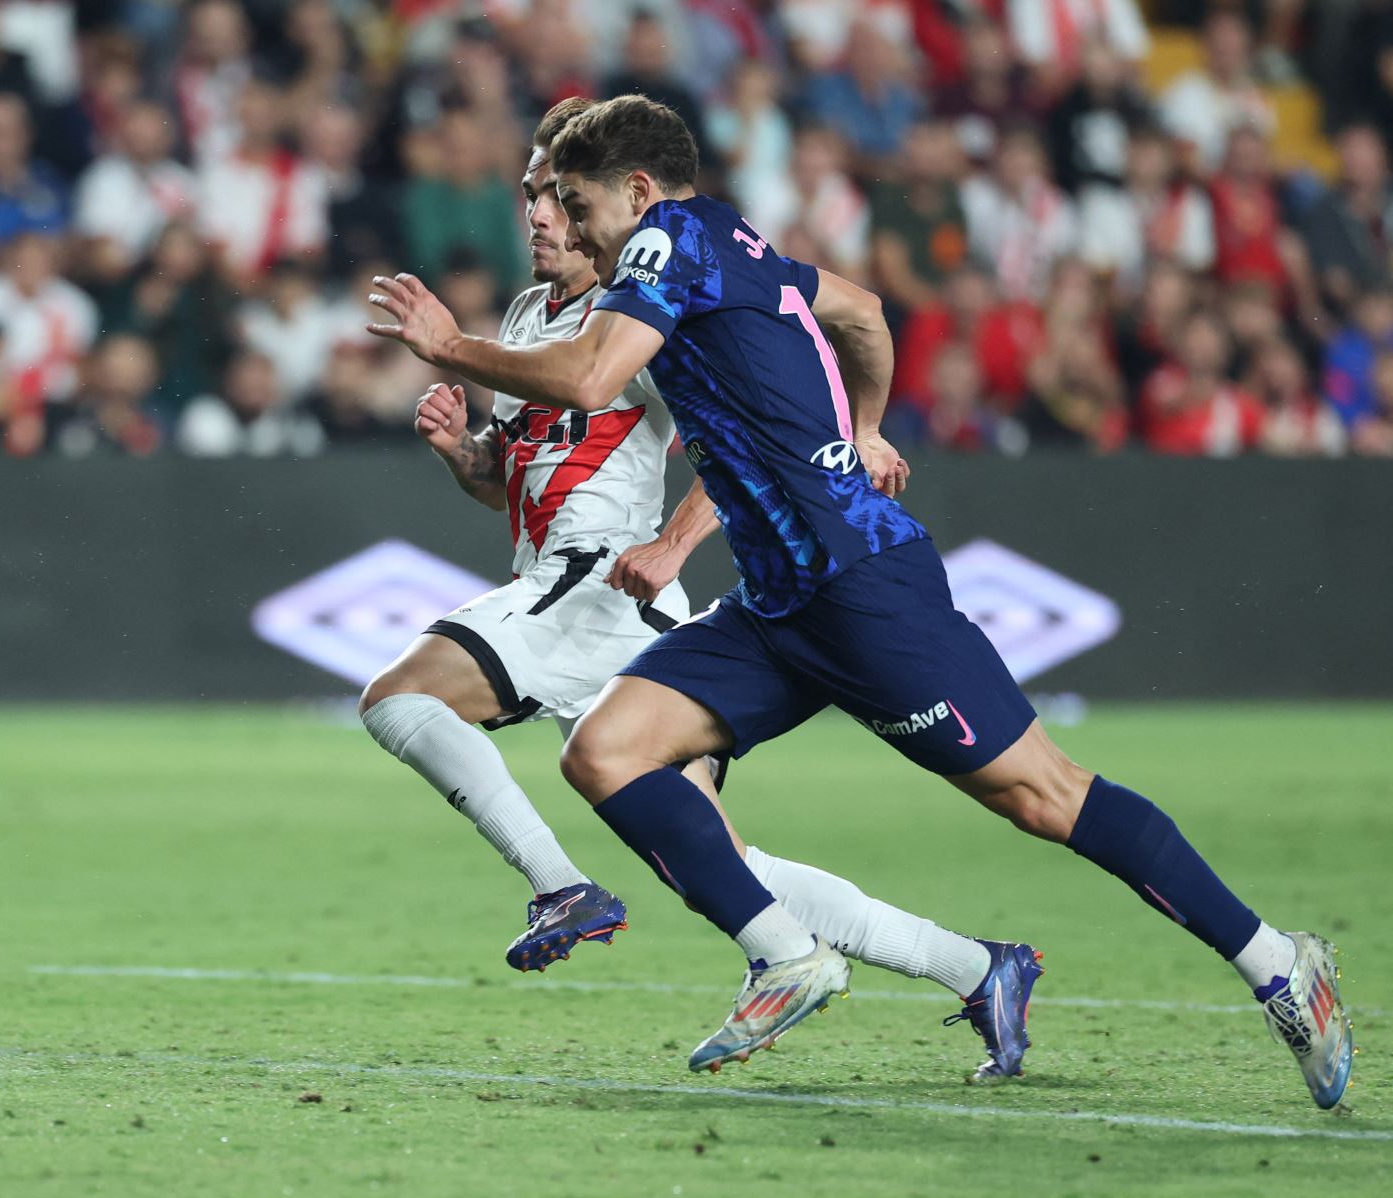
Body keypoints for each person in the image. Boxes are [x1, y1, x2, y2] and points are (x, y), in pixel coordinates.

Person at [363, 95, 1353, 1110]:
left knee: (1043, 796)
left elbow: (589, 374)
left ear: (639, 191)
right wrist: (869, 427)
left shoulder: (665, 243)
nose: (567, 230)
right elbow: (865, 313)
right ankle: (784, 956)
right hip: (779, 600)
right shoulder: (733, 240)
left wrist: (446, 345)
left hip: (864, 588)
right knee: (606, 750)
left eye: (577, 207)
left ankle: (1279, 963)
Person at [360, 98, 1045, 1080]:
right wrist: (459, 453)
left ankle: (564, 889)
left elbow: (738, 447)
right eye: (529, 196)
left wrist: (679, 541)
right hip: (577, 590)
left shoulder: (648, 313)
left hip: (605, 588)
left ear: (603, 202)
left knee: (401, 696)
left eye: (559, 196)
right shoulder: (528, 322)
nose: (542, 216)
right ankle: (980, 968)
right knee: (726, 866)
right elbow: (512, 480)